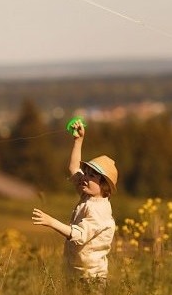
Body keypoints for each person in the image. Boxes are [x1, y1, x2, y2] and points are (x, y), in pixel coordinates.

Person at [31, 119, 118, 284]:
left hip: (91, 278)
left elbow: (79, 235)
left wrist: (51, 222)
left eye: (91, 176)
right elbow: (73, 170)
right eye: (86, 173)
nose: (84, 178)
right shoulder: (89, 196)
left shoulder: (100, 210)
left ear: (104, 185)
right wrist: (78, 141)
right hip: (75, 273)